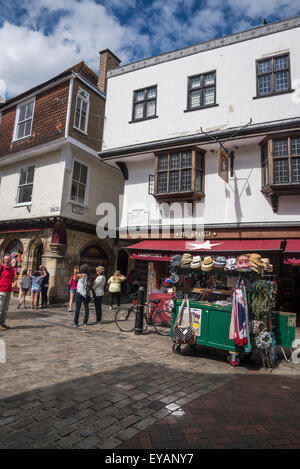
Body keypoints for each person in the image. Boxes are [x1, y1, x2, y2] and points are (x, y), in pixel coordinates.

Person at [0, 254, 15, 330]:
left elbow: (12, 279)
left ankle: (2, 323)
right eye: (5, 259)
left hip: (8, 291)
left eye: (8, 259)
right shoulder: (0, 268)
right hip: (1, 291)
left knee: (5, 309)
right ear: (3, 259)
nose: (7, 261)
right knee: (0, 309)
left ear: (10, 260)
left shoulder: (12, 269)